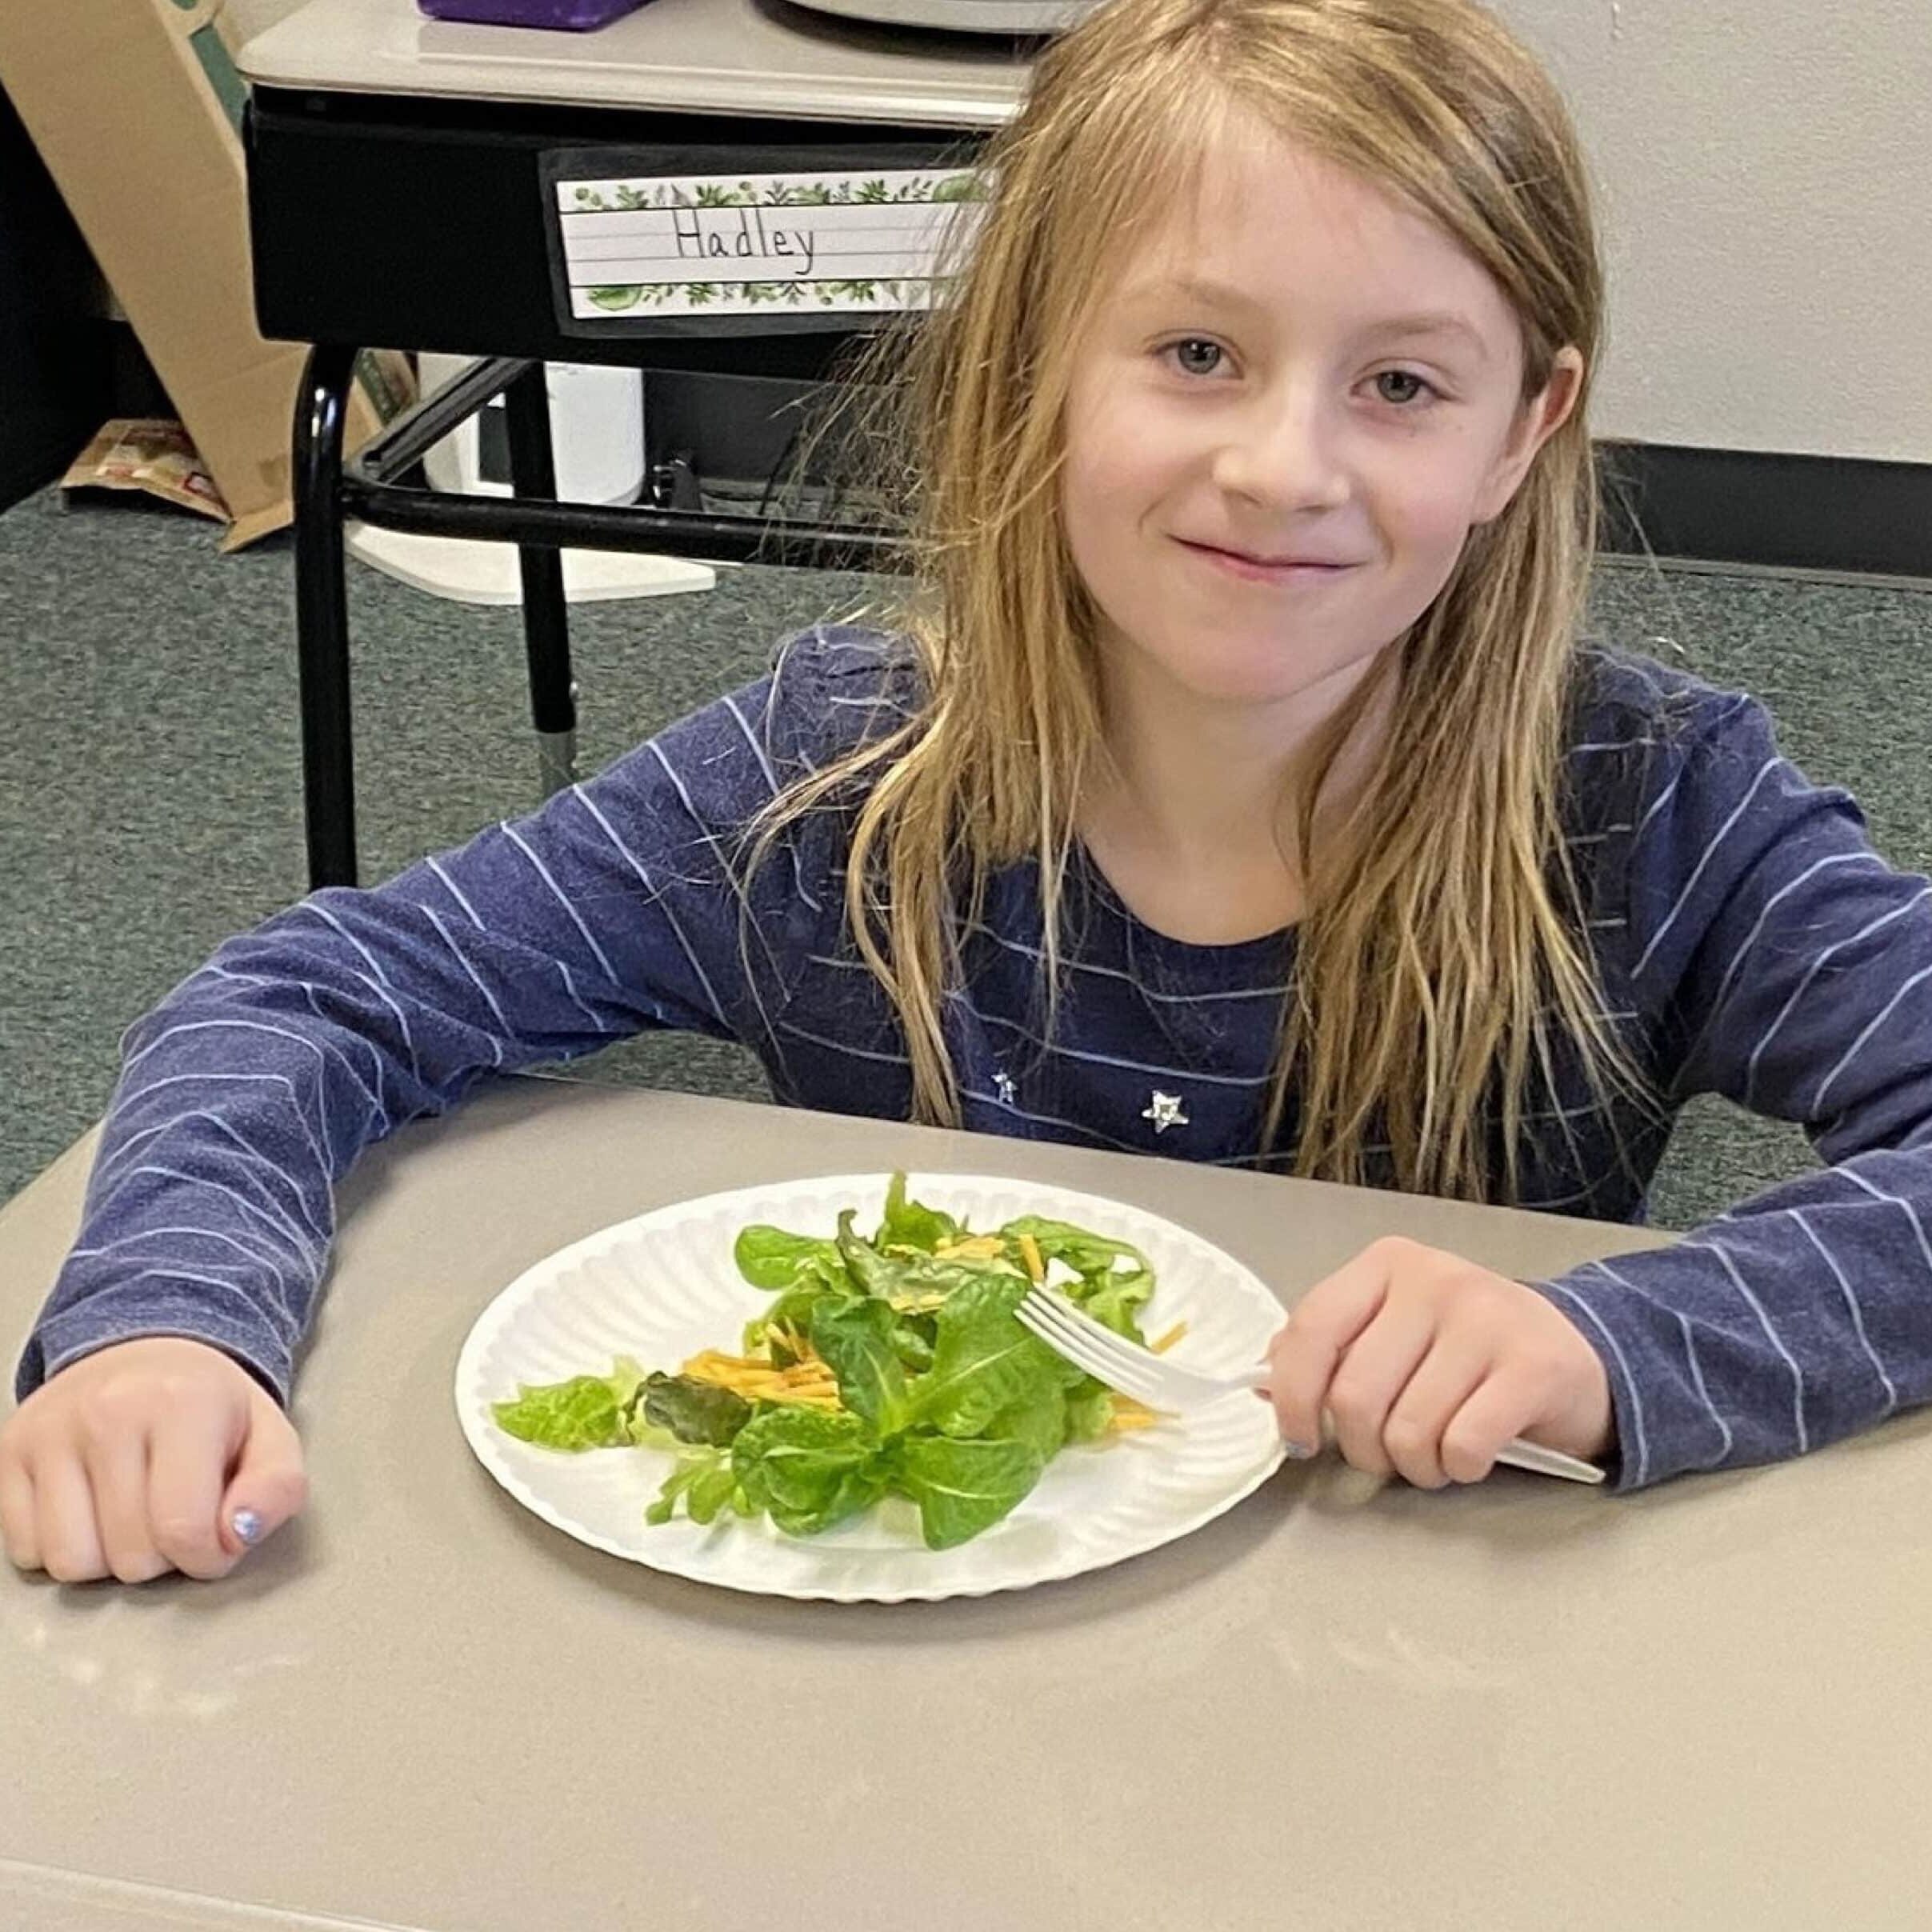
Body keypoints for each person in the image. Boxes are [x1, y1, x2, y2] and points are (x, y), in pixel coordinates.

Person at [6, 0, 1930, 1589]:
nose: (1281, 466)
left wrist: (1613, 1341)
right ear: (1031, 371)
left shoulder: (1648, 808)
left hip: (1423, 1656)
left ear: (1527, 426)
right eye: (1194, 352)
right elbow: (309, 993)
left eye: (1400, 386)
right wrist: (162, 1316)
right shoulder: (833, 775)